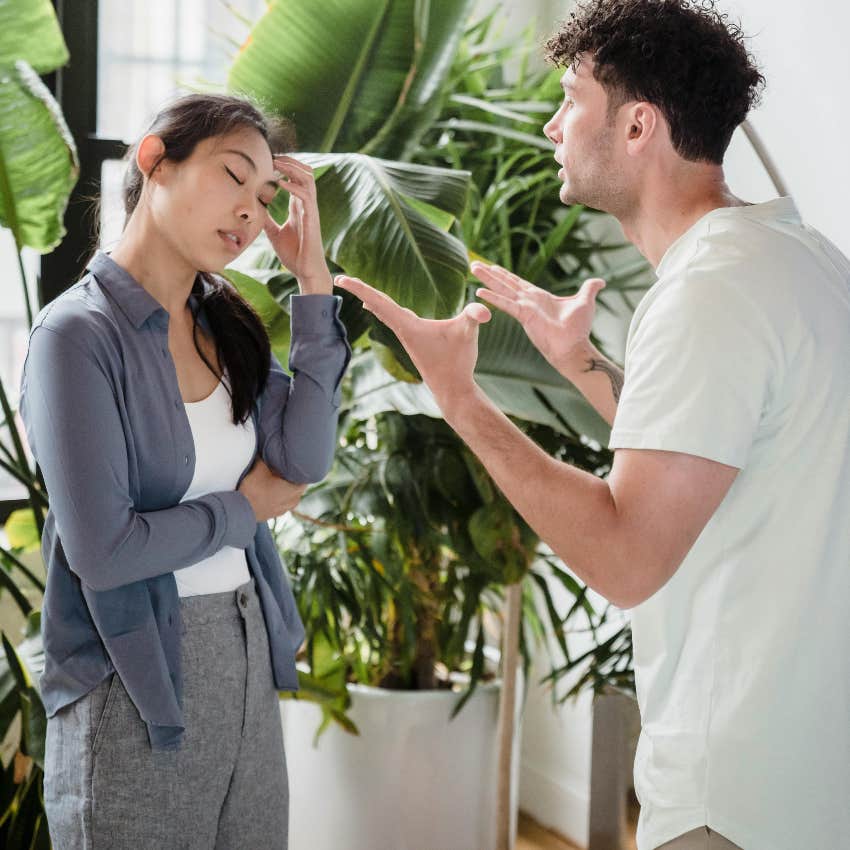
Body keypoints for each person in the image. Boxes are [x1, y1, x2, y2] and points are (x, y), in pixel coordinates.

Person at [335, 1, 850, 849]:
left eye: (572, 99)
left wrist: (460, 398)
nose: (551, 124)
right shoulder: (798, 258)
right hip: (806, 782)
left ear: (639, 125)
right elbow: (727, 453)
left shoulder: (708, 295)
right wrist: (584, 367)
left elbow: (626, 557)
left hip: (733, 801)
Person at [19, 93, 351, 849]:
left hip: (244, 650)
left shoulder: (225, 320)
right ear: (154, 160)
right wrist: (244, 510)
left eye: (265, 197)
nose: (248, 212)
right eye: (234, 177)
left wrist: (313, 288)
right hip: (133, 681)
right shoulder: (75, 337)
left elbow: (303, 461)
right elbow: (106, 553)